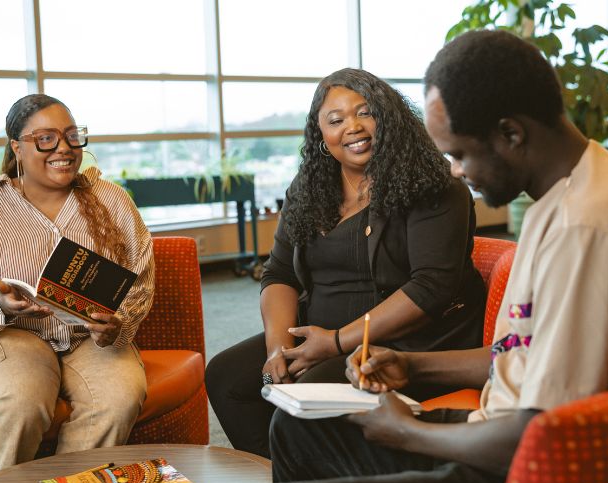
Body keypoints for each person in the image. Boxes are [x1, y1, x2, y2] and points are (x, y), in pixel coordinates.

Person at [217, 30, 608, 483]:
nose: (454, 170)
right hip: (503, 434)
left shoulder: (587, 227)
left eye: (460, 153)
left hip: (529, 478)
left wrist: (409, 432)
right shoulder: (565, 195)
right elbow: (516, 353)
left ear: (511, 134)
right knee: (300, 432)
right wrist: (411, 366)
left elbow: (542, 437)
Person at [206, 68, 488, 458]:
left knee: (308, 396)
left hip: (403, 340)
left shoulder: (433, 185)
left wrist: (336, 342)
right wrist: (278, 347)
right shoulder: (308, 188)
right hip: (320, 329)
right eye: (335, 120)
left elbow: (431, 288)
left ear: (390, 119)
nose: (352, 127)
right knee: (226, 378)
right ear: (321, 135)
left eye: (366, 112)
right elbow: (280, 272)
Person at [0, 94, 154, 481]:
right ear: (17, 147)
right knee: (22, 400)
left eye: (71, 136)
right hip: (7, 335)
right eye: (46, 138)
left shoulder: (112, 201)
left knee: (119, 396)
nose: (64, 148)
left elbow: (140, 280)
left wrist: (118, 322)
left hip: (88, 338)